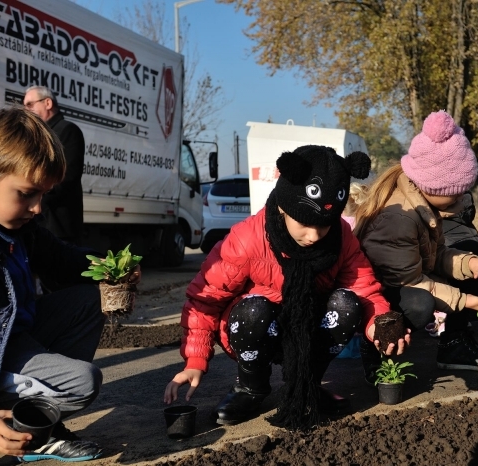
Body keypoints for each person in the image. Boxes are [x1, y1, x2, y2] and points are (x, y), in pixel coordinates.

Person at [0, 108, 137, 466]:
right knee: (82, 383)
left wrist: (112, 268)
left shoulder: (11, 222)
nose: (37, 208)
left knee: (89, 299)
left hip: (3, 338)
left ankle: (33, 426)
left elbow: (62, 260)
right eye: (28, 194)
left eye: (43, 196)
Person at [164, 145, 407, 430]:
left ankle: (308, 384)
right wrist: (195, 359)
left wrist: (378, 324)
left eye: (324, 226)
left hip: (308, 328)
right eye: (305, 223)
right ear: (283, 206)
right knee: (254, 310)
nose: (314, 236)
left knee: (346, 304)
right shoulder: (246, 239)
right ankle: (251, 387)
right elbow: (205, 299)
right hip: (257, 329)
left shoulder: (341, 237)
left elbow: (365, 289)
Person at [353, 110, 478, 374]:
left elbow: (436, 253)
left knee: (462, 260)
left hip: (405, 280)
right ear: (435, 188)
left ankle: (451, 342)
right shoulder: (398, 219)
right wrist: (466, 301)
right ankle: (375, 345)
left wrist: (472, 264)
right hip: (378, 295)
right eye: (455, 196)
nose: (461, 202)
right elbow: (410, 283)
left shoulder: (423, 204)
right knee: (420, 304)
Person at [23, 86, 85, 244]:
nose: (26, 110)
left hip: (58, 225)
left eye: (30, 104)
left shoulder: (68, 131)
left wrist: (33, 197)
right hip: (39, 222)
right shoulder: (37, 135)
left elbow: (66, 177)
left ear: (48, 103)